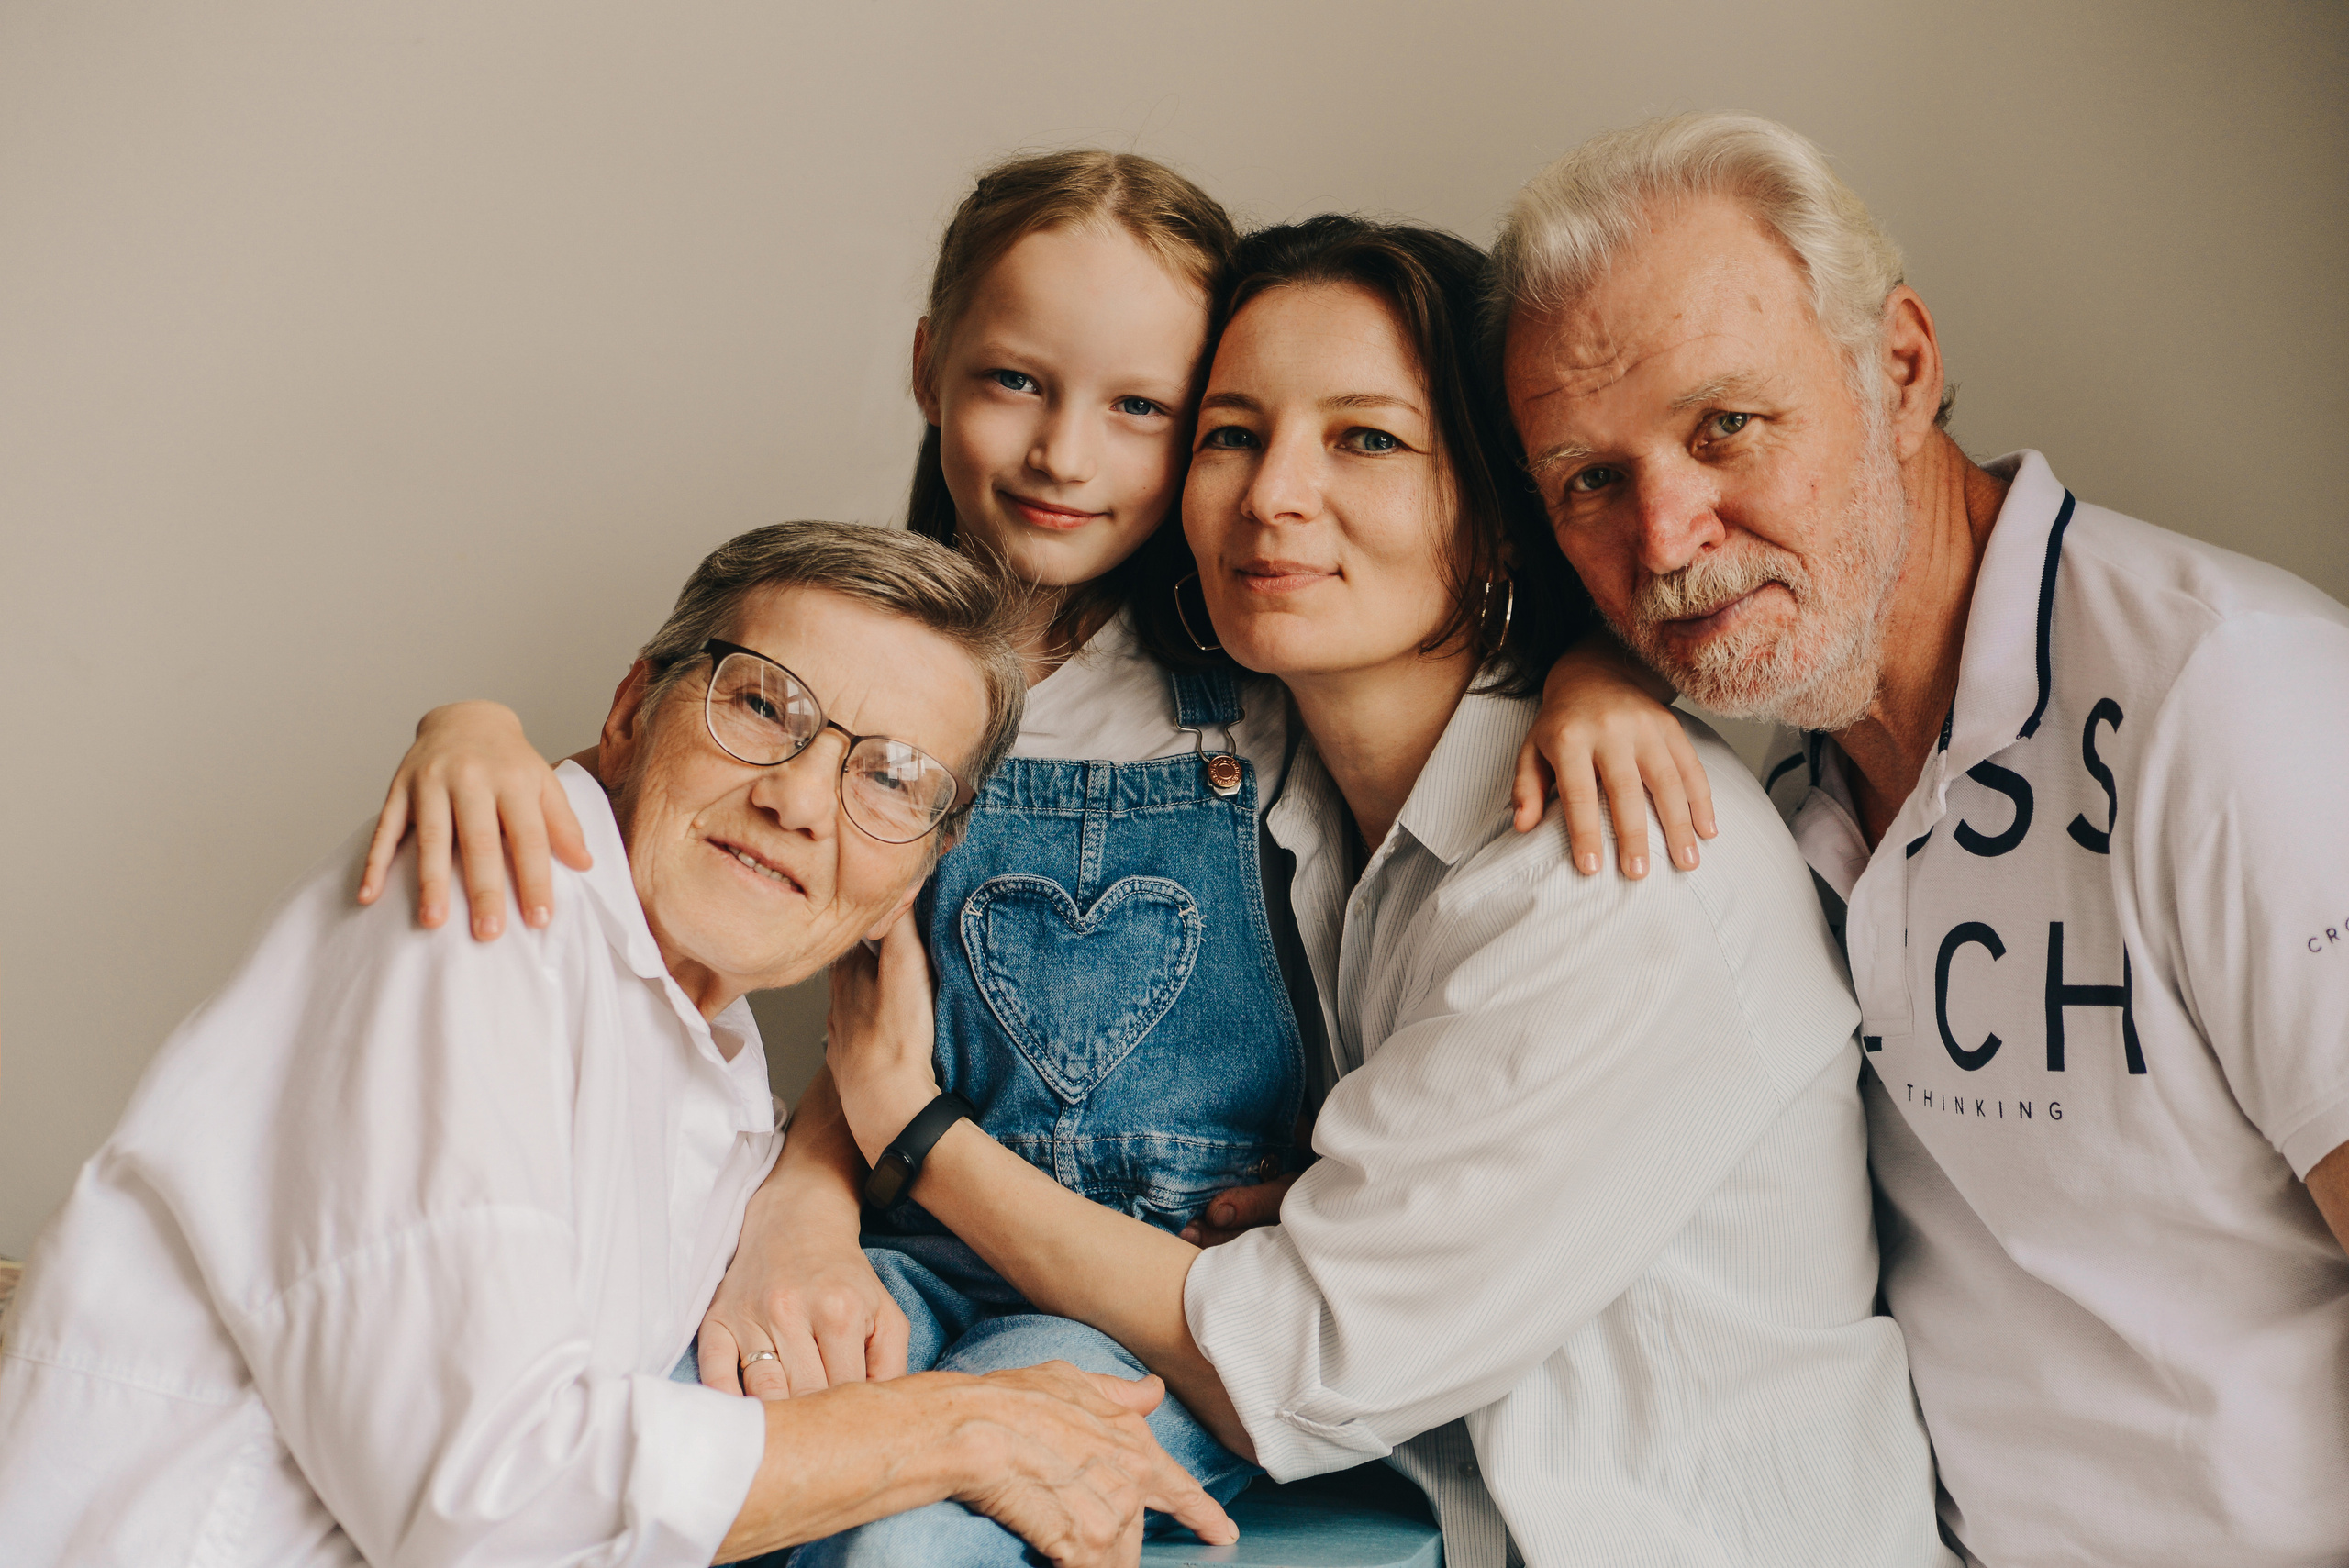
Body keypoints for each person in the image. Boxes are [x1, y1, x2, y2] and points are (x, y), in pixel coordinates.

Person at [357, 150, 1715, 1562]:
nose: (1070, 455)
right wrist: (474, 729)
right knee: (697, 1451)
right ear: (932, 361)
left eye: (1146, 411)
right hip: (920, 1242)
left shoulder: (1260, 666)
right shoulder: (892, 679)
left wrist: (1603, 678)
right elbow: (832, 980)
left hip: (1144, 1281)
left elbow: (1476, 655)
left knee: (911, 1534)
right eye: (1019, 382)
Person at [818, 214, 1953, 1568]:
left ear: (1495, 501)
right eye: (1231, 433)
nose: (1273, 495)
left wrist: (913, 1126)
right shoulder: (1271, 787)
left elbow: (1293, 1356)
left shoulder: (1610, 869)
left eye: (1366, 438)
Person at [0, 521, 1235, 1568]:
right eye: (765, 703)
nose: (802, 798)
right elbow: (483, 1500)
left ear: (923, 861)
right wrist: (962, 1426)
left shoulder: (706, 1042)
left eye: (895, 779)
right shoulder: (490, 907)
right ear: (635, 708)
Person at [1493, 111, 2349, 1567]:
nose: (1667, 537)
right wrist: (1594, 670)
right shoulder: (1771, 781)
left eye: (1727, 427)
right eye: (1591, 480)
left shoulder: (2234, 702)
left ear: (1899, 366)